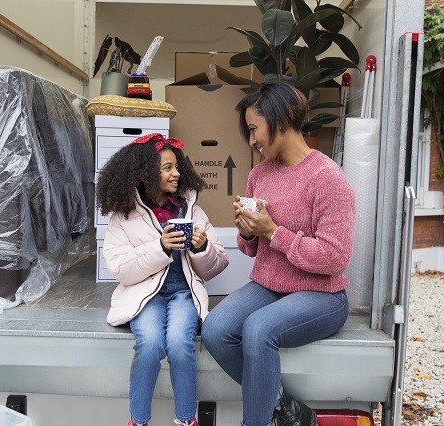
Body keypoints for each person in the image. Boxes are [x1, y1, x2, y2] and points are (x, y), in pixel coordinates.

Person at [201, 82, 356, 426]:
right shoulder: (259, 174)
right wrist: (246, 229)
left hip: (322, 294)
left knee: (258, 329)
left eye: (254, 129)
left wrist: (273, 231)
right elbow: (251, 249)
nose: (251, 140)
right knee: (215, 329)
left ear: (281, 118)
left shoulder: (328, 177)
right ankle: (281, 403)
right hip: (270, 285)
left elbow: (335, 257)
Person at [97, 133, 229, 426]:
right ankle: (138, 420)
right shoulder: (124, 216)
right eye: (168, 167)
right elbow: (120, 269)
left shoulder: (192, 210)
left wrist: (201, 246)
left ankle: (186, 420)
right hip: (146, 296)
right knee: (150, 345)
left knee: (180, 345)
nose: (177, 173)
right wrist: (160, 247)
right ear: (144, 174)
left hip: (184, 291)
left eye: (177, 167)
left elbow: (217, 264)